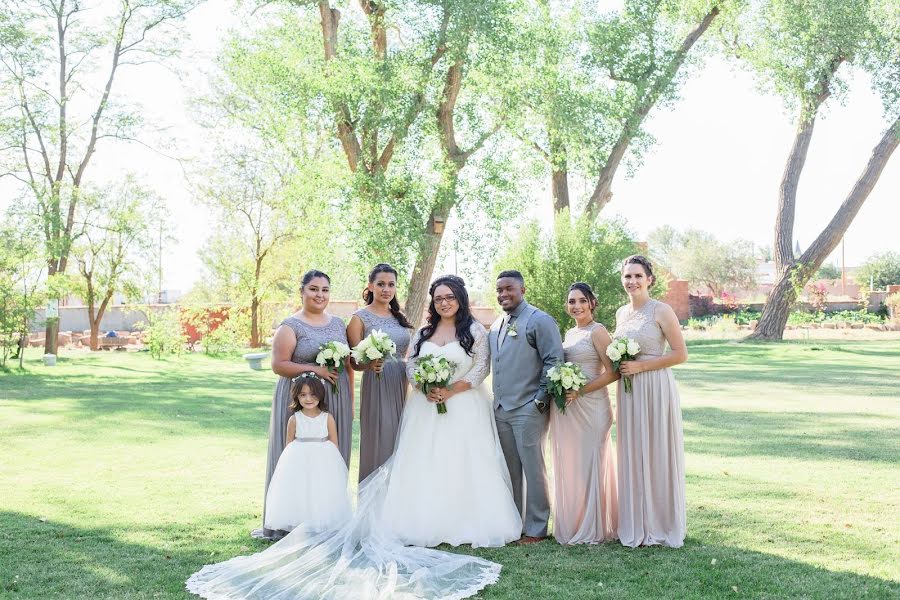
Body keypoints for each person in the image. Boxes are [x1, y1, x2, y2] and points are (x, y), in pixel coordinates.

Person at [187, 275, 519, 600]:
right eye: (439, 297)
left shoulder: (475, 330)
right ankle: (429, 521)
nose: (444, 302)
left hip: (463, 406)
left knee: (464, 462)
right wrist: (425, 385)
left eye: (450, 296)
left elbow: (481, 367)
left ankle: (464, 520)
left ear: (460, 298)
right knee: (426, 462)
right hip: (426, 406)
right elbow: (412, 363)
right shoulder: (424, 330)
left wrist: (450, 389)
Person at [253, 270, 353, 540]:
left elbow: (347, 364)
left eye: (325, 290)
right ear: (302, 292)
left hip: (335, 396)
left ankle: (327, 520)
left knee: (331, 457)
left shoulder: (338, 324)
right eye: (314, 289)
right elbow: (279, 365)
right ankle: (288, 521)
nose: (320, 295)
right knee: (294, 458)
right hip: (299, 397)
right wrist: (315, 370)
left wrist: (349, 399)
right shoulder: (290, 325)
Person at [614, 255, 688, 548]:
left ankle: (661, 523)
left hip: (655, 386)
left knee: (656, 450)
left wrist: (640, 367)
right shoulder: (621, 313)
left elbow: (680, 354)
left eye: (637, 276)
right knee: (633, 451)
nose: (632, 281)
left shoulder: (662, 310)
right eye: (627, 276)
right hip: (629, 391)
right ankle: (638, 521)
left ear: (649, 280)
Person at [489, 270, 564, 544]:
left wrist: (540, 402)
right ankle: (515, 522)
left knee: (533, 468)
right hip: (500, 408)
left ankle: (536, 527)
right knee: (510, 469)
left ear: (523, 289)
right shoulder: (497, 324)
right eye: (499, 290)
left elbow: (554, 361)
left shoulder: (539, 320)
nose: (503, 294)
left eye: (509, 289)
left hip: (528, 407)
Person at [549, 282, 618, 544]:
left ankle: (594, 528)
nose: (576, 306)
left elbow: (614, 372)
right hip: (570, 408)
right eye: (571, 301)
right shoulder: (569, 333)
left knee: (591, 464)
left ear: (591, 302)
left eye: (581, 301)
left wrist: (581, 390)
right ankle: (576, 521)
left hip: (593, 407)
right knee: (574, 465)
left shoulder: (598, 332)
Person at [347, 263, 412, 482]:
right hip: (378, 382)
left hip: (403, 383)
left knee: (403, 439)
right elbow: (353, 361)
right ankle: (373, 505)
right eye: (381, 284)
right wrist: (369, 364)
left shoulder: (398, 316)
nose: (386, 289)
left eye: (391, 285)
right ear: (370, 286)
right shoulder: (359, 318)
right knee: (381, 438)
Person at [264, 374, 350, 533]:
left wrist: (331, 466)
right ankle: (301, 526)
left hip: (322, 460)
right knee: (302, 491)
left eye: (312, 394)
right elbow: (289, 445)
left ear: (320, 395)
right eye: (303, 395)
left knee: (319, 491)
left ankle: (319, 526)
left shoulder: (327, 418)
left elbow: (334, 442)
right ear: (296, 396)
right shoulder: (294, 419)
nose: (308, 398)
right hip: (299, 461)